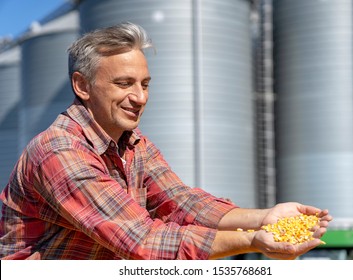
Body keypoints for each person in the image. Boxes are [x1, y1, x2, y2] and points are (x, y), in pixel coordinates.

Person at [0, 22, 332, 260]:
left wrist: (264, 218)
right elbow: (143, 240)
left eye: (145, 83)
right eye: (124, 83)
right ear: (82, 86)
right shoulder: (60, 152)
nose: (140, 97)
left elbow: (180, 203)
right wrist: (255, 241)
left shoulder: (134, 144)